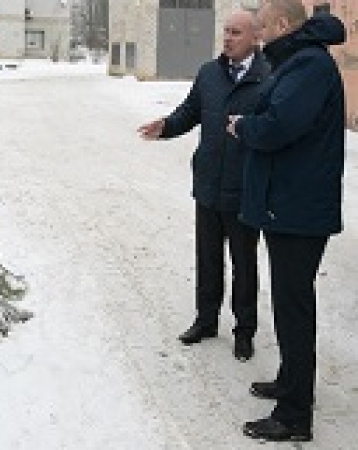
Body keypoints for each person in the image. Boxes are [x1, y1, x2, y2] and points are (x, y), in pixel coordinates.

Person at [227, 0, 345, 442]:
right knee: (290, 304)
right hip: (291, 206)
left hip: (298, 210)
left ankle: (295, 414)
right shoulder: (298, 62)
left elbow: (280, 125)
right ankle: (291, 382)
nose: (257, 36)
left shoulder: (308, 66)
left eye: (259, 28)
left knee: (294, 310)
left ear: (280, 25)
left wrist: (244, 128)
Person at [138, 9, 267, 361]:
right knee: (208, 259)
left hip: (244, 189)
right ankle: (206, 320)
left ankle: (244, 331)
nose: (228, 38)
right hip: (209, 184)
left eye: (236, 32)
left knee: (244, 264)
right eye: (225, 31)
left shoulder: (268, 76)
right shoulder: (209, 73)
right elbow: (190, 111)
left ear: (256, 37)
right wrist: (165, 126)